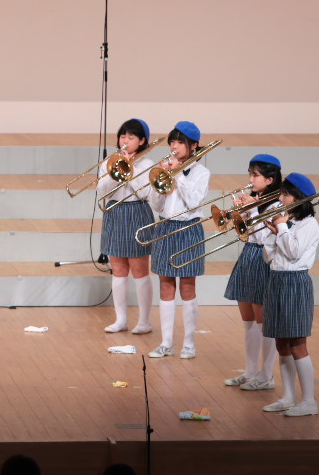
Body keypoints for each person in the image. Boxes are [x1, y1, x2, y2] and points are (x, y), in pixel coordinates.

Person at [147, 121, 210, 360]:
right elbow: (157, 205)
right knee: (165, 285)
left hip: (188, 228)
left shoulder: (201, 173)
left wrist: (178, 176)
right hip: (165, 226)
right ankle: (166, 343)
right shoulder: (166, 167)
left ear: (193, 146)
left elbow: (194, 202)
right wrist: (157, 184)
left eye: (180, 142)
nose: (174, 146)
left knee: (187, 287)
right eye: (172, 141)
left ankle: (189, 344)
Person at [261, 173, 319, 417]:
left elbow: (294, 252)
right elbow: (269, 258)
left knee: (297, 344)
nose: (280, 199)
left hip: (295, 282)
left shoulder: (309, 225)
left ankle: (309, 401)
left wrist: (281, 227)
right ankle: (288, 397)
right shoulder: (286, 222)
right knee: (281, 343)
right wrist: (272, 233)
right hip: (276, 280)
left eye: (285, 195)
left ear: (298, 198)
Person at [223, 154, 282, 390]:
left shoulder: (277, 205)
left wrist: (253, 209)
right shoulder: (256, 200)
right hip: (248, 254)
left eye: (255, 175)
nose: (250, 179)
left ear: (269, 180)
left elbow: (266, 236)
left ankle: (266, 375)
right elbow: (246, 233)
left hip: (263, 258)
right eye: (250, 174)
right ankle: (250, 371)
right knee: (248, 319)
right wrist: (242, 213)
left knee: (262, 320)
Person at [98, 118, 155, 335]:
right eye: (123, 136)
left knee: (139, 269)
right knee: (118, 268)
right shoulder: (109, 161)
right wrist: (117, 170)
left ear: (142, 141)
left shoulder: (147, 165)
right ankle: (120, 319)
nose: (125, 140)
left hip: (137, 211)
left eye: (131, 137)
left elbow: (145, 193)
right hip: (115, 211)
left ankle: (144, 321)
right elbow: (102, 191)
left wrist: (129, 170)